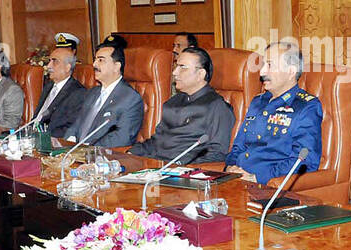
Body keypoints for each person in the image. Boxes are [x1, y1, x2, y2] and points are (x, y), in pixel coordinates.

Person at [224, 42, 324, 184]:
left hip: (266, 186)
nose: (262, 72)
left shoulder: (306, 106)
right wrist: (230, 168)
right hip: (235, 181)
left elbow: (305, 161)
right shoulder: (258, 101)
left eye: (269, 65)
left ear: (291, 71)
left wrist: (258, 177)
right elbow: (238, 146)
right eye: (263, 65)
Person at [131, 47, 234, 164]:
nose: (175, 72)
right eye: (176, 66)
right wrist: (130, 154)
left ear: (200, 74)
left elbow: (217, 153)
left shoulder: (217, 107)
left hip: (180, 172)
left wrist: (180, 166)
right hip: (153, 166)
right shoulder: (173, 102)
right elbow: (156, 141)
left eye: (183, 67)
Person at [70, 35, 144, 148]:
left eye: (101, 60)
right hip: (73, 153)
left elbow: (122, 138)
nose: (94, 64)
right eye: (95, 60)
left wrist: (86, 150)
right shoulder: (91, 93)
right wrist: (66, 145)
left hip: (100, 157)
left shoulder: (130, 98)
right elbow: (76, 125)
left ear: (116, 66)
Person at [32, 42, 88, 138]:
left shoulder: (78, 92)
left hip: (51, 142)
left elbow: (69, 128)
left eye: (55, 61)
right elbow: (37, 119)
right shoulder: (48, 86)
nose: (49, 66)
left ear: (67, 67)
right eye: (49, 61)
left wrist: (42, 137)